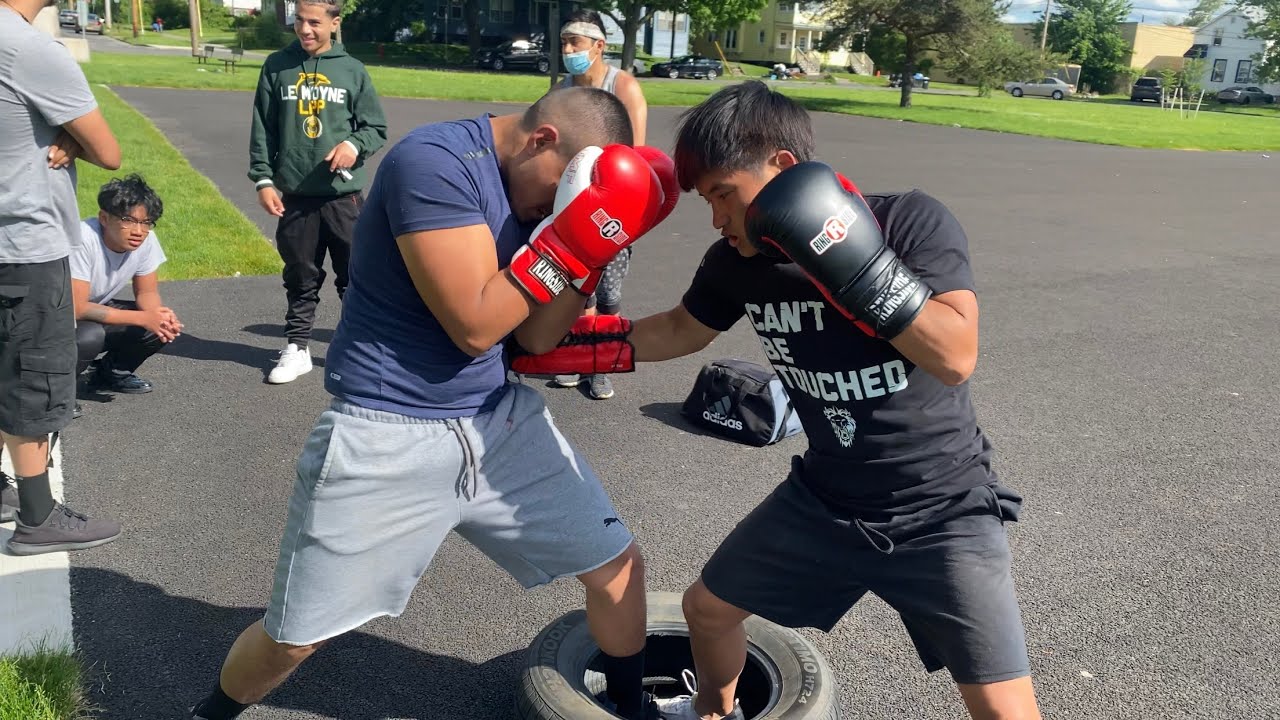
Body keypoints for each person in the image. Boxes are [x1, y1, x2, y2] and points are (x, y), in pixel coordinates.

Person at [513, 81, 1043, 720]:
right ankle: (716, 712)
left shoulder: (907, 221)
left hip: (940, 507)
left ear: (783, 168)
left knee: (1004, 709)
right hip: (823, 499)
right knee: (706, 611)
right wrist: (565, 347)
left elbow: (955, 355)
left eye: (724, 195)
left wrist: (847, 259)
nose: (717, 218)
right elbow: (683, 329)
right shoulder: (738, 262)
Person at [187, 87, 678, 720]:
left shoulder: (549, 193)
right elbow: (475, 325)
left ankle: (633, 710)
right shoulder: (436, 163)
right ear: (542, 140)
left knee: (617, 568)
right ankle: (211, 712)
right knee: (294, 639)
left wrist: (595, 247)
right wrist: (573, 238)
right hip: (388, 429)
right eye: (554, 193)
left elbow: (533, 335)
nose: (548, 210)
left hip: (499, 420)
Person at [0, 0, 123, 554]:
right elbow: (109, 151)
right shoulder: (29, 47)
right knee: (32, 378)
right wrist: (74, 138)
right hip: (24, 241)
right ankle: (38, 516)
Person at [249, 0, 388, 385]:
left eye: (314, 22)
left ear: (334, 23)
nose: (305, 30)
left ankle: (361, 346)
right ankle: (297, 347)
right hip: (295, 195)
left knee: (354, 276)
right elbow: (263, 127)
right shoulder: (277, 65)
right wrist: (263, 179)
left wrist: (354, 145)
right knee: (300, 274)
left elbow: (376, 127)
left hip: (343, 197)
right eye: (299, 21)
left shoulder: (352, 70)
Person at [548, 8, 650, 400]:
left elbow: (637, 156)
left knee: (608, 292)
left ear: (599, 46)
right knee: (577, 288)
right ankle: (578, 359)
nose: (568, 49)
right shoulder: (560, 92)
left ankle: (601, 362)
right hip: (571, 203)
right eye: (564, 42)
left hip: (615, 205)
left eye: (575, 42)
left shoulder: (623, 88)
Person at [72, 175, 182, 402]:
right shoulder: (83, 238)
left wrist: (156, 317)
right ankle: (56, 392)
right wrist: (142, 318)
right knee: (89, 335)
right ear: (104, 217)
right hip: (53, 316)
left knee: (158, 324)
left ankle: (111, 373)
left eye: (146, 222)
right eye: (128, 220)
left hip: (94, 309)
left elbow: (146, 293)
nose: (138, 231)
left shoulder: (146, 240)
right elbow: (77, 308)